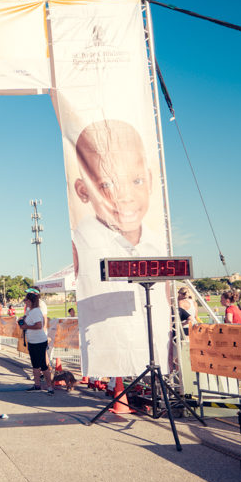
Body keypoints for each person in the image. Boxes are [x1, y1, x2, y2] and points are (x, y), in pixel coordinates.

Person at [71, 119, 171, 377]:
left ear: (150, 180)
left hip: (157, 351)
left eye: (136, 181)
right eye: (107, 185)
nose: (124, 195)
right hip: (111, 352)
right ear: (83, 190)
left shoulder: (159, 243)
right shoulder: (81, 243)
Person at [21, 292, 54, 393]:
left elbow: (39, 326)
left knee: (43, 365)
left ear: (30, 301)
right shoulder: (30, 311)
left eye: (26, 300)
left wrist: (26, 326)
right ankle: (37, 385)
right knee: (35, 365)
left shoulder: (35, 311)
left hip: (39, 341)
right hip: (33, 341)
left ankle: (49, 387)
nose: (24, 302)